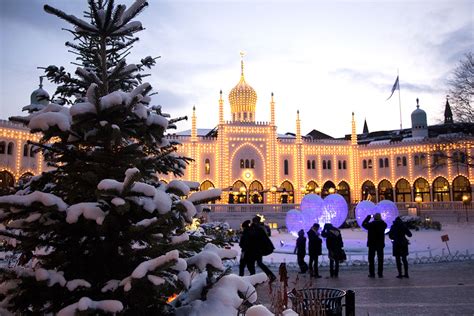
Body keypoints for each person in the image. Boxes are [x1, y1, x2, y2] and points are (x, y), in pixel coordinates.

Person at [247, 216, 277, 282]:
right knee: (256, 263)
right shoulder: (256, 228)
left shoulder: (259, 229)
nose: (254, 222)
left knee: (255, 263)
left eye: (255, 221)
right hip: (255, 249)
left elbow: (258, 238)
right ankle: (270, 276)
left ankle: (254, 277)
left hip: (257, 250)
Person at [362, 213, 387, 278]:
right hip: (380, 244)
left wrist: (368, 217)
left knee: (371, 259)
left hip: (372, 244)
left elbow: (363, 224)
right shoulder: (383, 225)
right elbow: (384, 224)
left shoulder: (371, 225)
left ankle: (372, 273)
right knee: (380, 259)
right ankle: (380, 273)